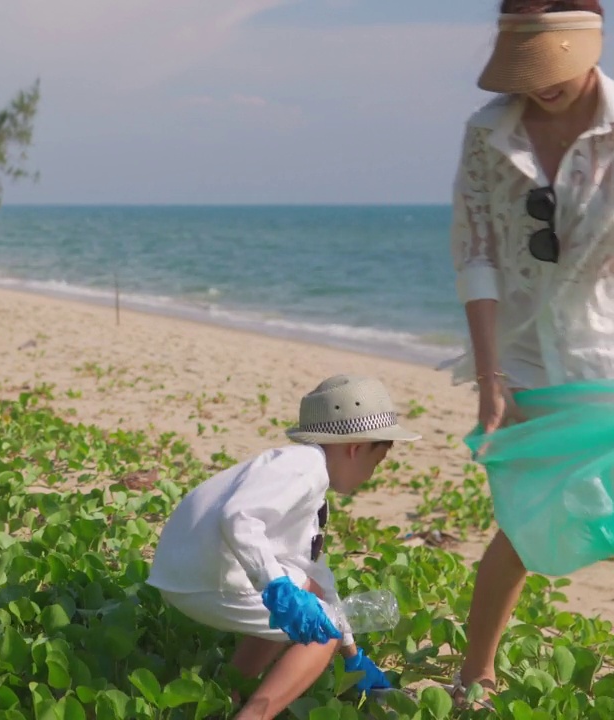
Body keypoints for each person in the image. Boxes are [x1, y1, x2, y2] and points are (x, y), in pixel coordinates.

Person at [443, 0, 614, 707]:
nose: (539, 84)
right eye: (526, 70)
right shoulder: (488, 133)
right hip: (522, 360)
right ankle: (473, 672)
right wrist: (490, 378)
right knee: (524, 519)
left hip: (605, 351)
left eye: (551, 68)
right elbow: (475, 253)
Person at [146, 375, 418, 720]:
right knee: (323, 630)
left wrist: (352, 655)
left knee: (301, 605)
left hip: (182, 571)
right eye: (375, 464)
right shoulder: (305, 469)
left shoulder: (296, 470)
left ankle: (226, 695)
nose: (371, 475)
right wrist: (278, 588)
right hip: (206, 577)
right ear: (356, 448)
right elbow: (237, 517)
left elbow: (311, 575)